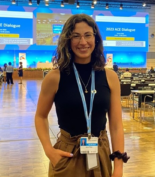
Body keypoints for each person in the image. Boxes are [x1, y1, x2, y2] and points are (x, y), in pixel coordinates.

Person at [35, 14, 128, 177]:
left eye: (88, 35)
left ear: (96, 39)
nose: (83, 42)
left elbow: (116, 125)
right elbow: (40, 116)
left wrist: (119, 165)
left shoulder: (110, 77)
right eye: (75, 36)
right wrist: (49, 151)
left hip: (101, 153)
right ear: (67, 41)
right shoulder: (54, 77)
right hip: (67, 155)